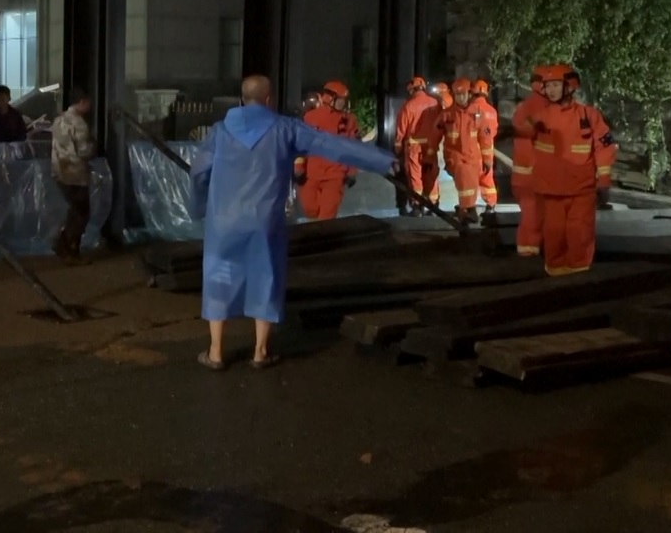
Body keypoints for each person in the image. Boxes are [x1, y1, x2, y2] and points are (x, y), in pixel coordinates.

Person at [190, 75, 398, 370]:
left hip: (223, 220)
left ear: (241, 99)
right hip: (265, 220)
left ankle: (215, 353)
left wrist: (199, 207)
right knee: (266, 277)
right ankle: (260, 353)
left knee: (219, 278)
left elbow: (199, 172)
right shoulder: (285, 129)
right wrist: (381, 160)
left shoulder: (220, 132)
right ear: (268, 99)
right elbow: (331, 145)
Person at [527, 64, 618, 276]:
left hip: (581, 190)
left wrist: (604, 182)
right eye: (548, 85)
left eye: (556, 85)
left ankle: (579, 278)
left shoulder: (589, 116)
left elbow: (605, 148)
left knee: (579, 235)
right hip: (550, 191)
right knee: (553, 235)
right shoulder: (538, 117)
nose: (550, 90)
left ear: (570, 86)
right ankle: (556, 278)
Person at [294, 80, 361, 220]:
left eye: (344, 100)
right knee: (309, 209)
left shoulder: (349, 120)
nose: (343, 103)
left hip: (335, 176)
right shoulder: (310, 117)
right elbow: (301, 145)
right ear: (330, 98)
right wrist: (299, 167)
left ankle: (324, 239)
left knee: (327, 217)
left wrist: (352, 171)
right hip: (311, 174)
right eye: (341, 100)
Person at [50, 87, 94, 265]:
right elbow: (84, 151)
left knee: (75, 211)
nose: (90, 106)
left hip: (59, 171)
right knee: (82, 213)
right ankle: (69, 247)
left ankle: (64, 245)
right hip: (76, 173)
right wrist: (94, 148)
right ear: (82, 102)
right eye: (88, 102)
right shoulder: (80, 123)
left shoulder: (58, 120)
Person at [510, 66, 551, 256]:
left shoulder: (524, 108)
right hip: (537, 177)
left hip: (523, 177)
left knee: (532, 215)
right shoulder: (548, 109)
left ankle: (530, 253)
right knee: (535, 217)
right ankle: (530, 256)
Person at [438, 78, 489, 224]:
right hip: (455, 157)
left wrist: (487, 160)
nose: (461, 97)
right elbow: (434, 134)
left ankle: (467, 209)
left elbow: (485, 138)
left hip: (472, 157)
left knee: (471, 185)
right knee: (465, 184)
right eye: (458, 94)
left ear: (469, 94)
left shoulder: (477, 113)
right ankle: (467, 209)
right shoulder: (447, 115)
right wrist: (429, 155)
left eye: (463, 94)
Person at [393, 76, 444, 217]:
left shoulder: (408, 106)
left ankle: (417, 206)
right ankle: (433, 204)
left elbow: (401, 130)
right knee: (431, 174)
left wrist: (398, 150)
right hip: (430, 146)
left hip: (414, 147)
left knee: (415, 176)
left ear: (411, 89)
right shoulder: (434, 103)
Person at [471, 79, 500, 213]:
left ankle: (468, 206)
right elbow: (493, 130)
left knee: (469, 178)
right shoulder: (492, 111)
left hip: (472, 149)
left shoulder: (471, 109)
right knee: (487, 177)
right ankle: (491, 203)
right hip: (488, 149)